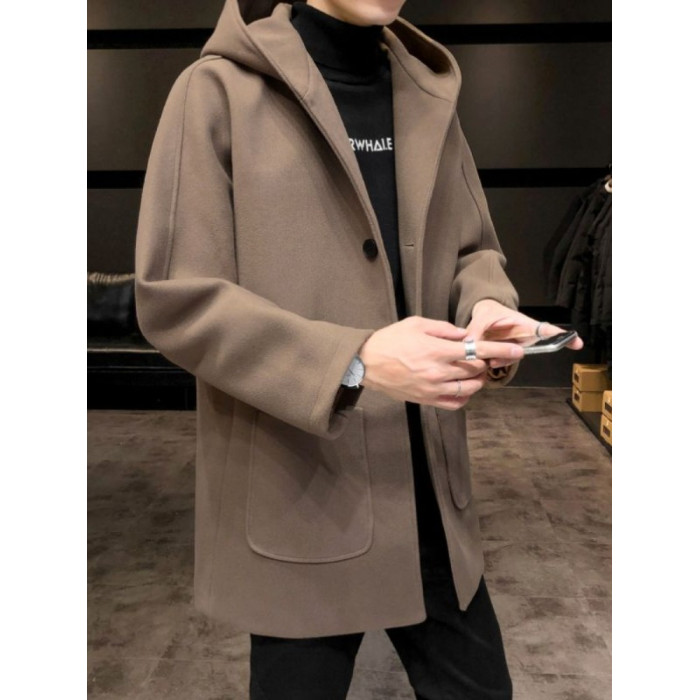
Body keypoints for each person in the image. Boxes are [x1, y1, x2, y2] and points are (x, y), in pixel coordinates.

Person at [134, 1, 583, 697]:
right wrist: (356, 360)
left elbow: (473, 248)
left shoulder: (427, 93)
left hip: (429, 498)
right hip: (301, 499)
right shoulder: (217, 92)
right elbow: (177, 299)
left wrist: (486, 304)